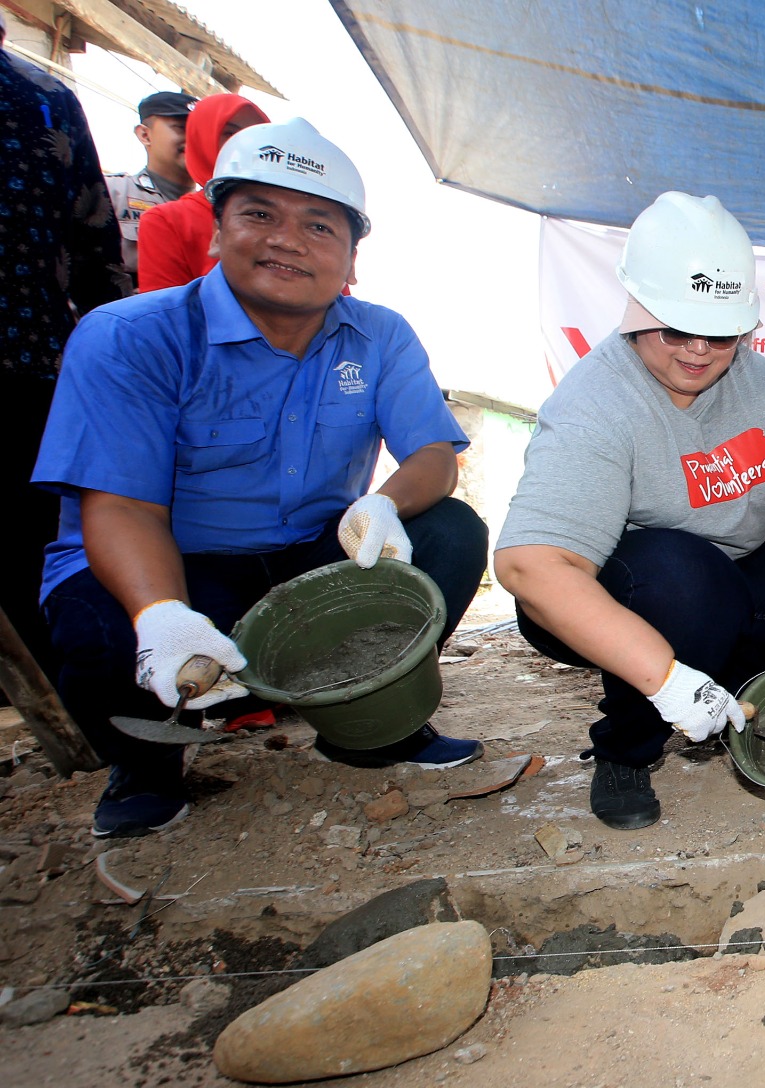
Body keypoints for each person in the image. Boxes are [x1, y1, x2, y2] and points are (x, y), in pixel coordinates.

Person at [33, 117, 489, 839]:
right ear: (215, 231)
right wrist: (162, 616)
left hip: (310, 552)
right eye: (259, 215)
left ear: (350, 255)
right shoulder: (129, 336)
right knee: (105, 631)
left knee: (450, 534)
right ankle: (146, 766)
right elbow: (120, 507)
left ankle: (369, 724)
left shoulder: (380, 335)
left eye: (318, 226)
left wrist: (381, 503)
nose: (286, 240)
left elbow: (433, 452)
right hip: (174, 564)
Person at [495, 192, 765, 830]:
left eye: (721, 333)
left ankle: (728, 685)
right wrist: (664, 680)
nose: (698, 351)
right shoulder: (598, 401)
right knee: (686, 581)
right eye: (677, 328)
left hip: (728, 572)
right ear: (635, 308)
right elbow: (531, 568)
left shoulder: (763, 387)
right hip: (628, 585)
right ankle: (629, 746)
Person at [0, 13, 129, 677]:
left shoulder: (45, 100)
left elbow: (96, 255)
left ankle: (72, 698)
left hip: (34, 365)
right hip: (37, 363)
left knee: (38, 540)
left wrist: (111, 376)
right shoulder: (45, 98)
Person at [136, 92, 269, 292]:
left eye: (255, 136)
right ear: (202, 138)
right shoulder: (167, 220)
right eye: (230, 134)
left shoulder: (291, 213)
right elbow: (165, 315)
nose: (246, 144)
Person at [104, 90, 197, 288]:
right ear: (145, 134)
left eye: (199, 131)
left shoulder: (218, 208)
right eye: (181, 128)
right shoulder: (111, 193)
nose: (193, 139)